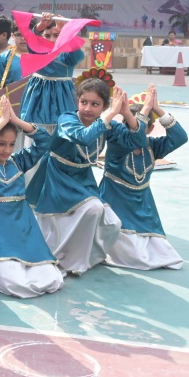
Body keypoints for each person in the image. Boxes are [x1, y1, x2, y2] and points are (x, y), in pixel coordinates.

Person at [0, 96, 63, 299]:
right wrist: (1, 121)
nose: (7, 150)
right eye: (1, 143)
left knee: (52, 278)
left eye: (11, 144)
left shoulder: (18, 162)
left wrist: (16, 121)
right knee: (15, 283)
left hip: (24, 233)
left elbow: (45, 141)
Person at [28, 78, 123, 274]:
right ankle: (62, 258)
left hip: (82, 179)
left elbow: (135, 141)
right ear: (77, 101)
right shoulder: (67, 119)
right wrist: (111, 114)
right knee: (69, 217)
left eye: (95, 104)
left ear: (104, 106)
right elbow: (82, 137)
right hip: (56, 177)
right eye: (83, 102)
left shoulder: (105, 124)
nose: (87, 108)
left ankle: (81, 257)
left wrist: (128, 113)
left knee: (112, 222)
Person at [100, 85, 188, 270]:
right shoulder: (118, 144)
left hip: (144, 208)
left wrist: (157, 109)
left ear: (150, 128)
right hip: (116, 204)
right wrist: (144, 109)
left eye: (142, 126)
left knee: (163, 253)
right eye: (128, 123)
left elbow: (180, 137)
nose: (134, 129)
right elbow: (136, 137)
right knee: (134, 253)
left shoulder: (153, 147)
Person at [17, 13, 89, 131]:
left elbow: (77, 54)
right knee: (35, 129)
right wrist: (40, 26)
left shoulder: (67, 55)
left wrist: (64, 30)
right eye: (47, 35)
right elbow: (32, 41)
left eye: (56, 35)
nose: (52, 39)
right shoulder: (37, 51)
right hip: (37, 97)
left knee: (62, 129)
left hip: (62, 97)